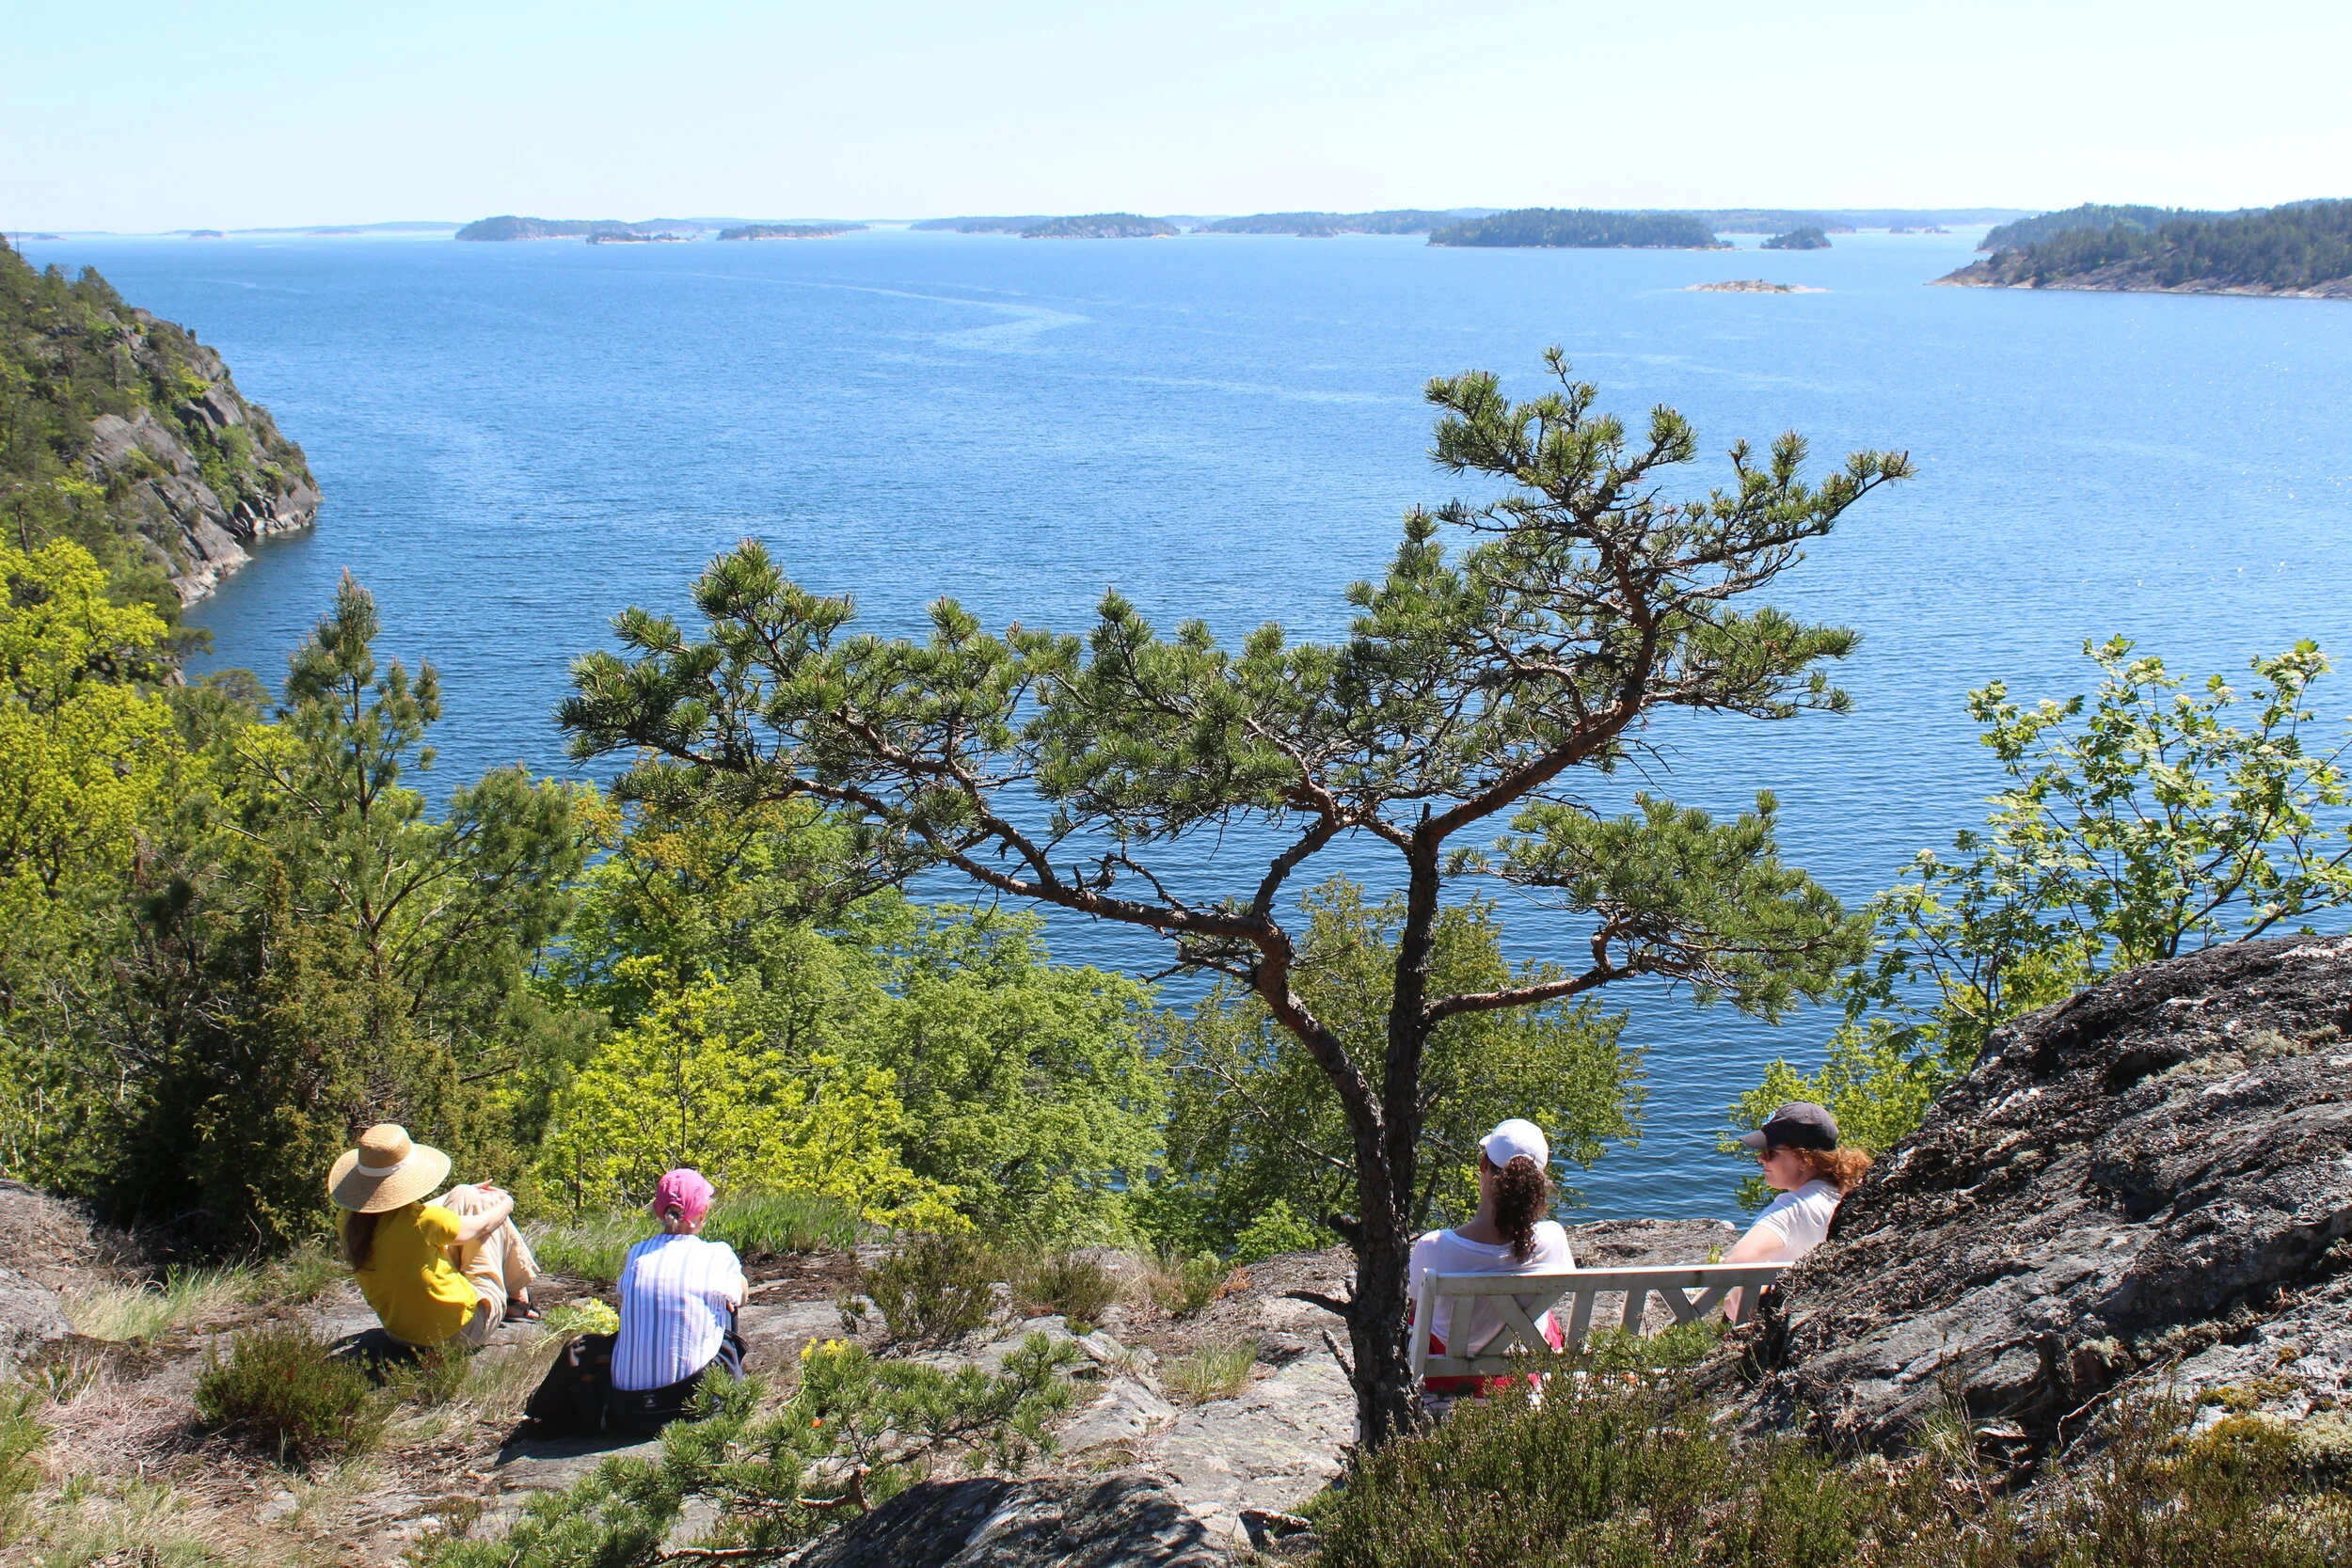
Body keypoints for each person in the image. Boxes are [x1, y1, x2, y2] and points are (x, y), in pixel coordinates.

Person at [329, 1123, 539, 1349]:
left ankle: (518, 1297)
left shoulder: (348, 1221)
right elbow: (484, 1225)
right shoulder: (425, 1222)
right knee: (490, 1210)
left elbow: (411, 1222)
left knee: (466, 1194)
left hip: (400, 1335)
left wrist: (461, 1191)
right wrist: (507, 1203)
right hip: (460, 1334)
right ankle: (518, 1299)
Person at [1406, 1118, 1573, 1395]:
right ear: (1538, 1180)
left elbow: (1415, 1318)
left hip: (1446, 1382)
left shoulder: (1433, 1246)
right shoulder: (1553, 1238)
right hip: (1520, 1377)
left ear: (1484, 1165)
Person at [609, 1168, 747, 1433]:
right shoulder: (717, 1254)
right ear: (703, 1212)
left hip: (628, 1408)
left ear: (658, 1212)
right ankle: (729, 1396)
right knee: (728, 1307)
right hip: (689, 1406)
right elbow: (742, 1295)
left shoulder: (636, 1253)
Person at [1721, 1101, 1875, 1319]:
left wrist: (1734, 1307)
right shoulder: (1848, 1194)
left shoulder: (1792, 1208)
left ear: (1806, 1159)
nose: (1761, 1158)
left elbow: (1736, 1264)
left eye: (1771, 1152)